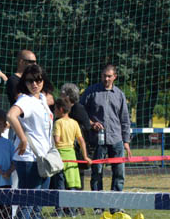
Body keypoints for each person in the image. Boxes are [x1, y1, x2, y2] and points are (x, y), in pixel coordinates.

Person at [7, 64, 55, 219]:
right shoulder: (25, 100)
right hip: (28, 158)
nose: (34, 84)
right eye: (30, 80)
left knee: (38, 203)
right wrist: (23, 138)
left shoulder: (42, 99)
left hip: (43, 158)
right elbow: (11, 115)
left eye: (38, 80)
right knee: (28, 202)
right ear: (24, 82)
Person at [80, 64, 132, 194]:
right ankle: (98, 201)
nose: (106, 79)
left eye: (109, 76)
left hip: (116, 139)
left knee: (119, 172)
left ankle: (116, 199)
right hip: (97, 139)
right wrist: (91, 123)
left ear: (115, 77)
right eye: (104, 76)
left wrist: (126, 141)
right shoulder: (91, 92)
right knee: (97, 172)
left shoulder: (119, 95)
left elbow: (125, 119)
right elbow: (80, 112)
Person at [52, 99, 90, 207]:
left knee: (60, 182)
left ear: (60, 109)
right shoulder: (74, 123)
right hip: (72, 155)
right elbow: (81, 140)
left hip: (60, 155)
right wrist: (85, 156)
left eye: (55, 109)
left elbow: (57, 140)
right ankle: (72, 209)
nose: (54, 111)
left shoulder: (58, 122)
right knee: (72, 181)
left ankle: (59, 210)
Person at [61, 82, 93, 193]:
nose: (60, 96)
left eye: (62, 94)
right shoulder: (67, 109)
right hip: (69, 149)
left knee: (77, 177)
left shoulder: (77, 109)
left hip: (78, 149)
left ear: (68, 96)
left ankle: (77, 201)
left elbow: (86, 128)